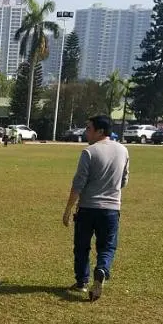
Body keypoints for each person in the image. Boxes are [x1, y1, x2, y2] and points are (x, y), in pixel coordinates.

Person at [62, 114, 129, 301]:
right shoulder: (123, 150)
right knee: (107, 246)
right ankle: (102, 269)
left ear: (100, 131)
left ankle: (82, 281)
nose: (86, 132)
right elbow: (124, 180)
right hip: (111, 209)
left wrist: (68, 210)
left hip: (87, 208)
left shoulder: (89, 152)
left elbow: (78, 184)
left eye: (89, 128)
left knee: (82, 247)